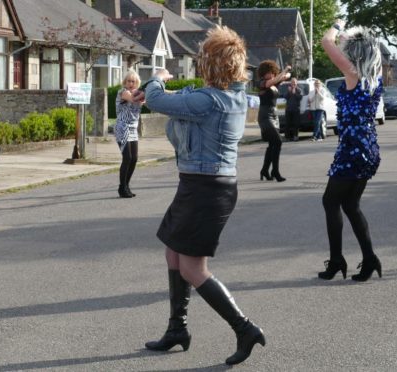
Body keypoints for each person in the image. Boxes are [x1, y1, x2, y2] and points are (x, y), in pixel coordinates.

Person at [139, 26, 266, 366]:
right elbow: (176, 105)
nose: (197, 63)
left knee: (193, 268)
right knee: (173, 253)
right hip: (199, 186)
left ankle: (245, 328)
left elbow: (157, 99)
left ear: (212, 63)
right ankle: (177, 329)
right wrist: (155, 91)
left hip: (207, 190)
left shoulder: (210, 100)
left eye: (202, 59)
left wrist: (158, 77)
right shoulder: (229, 96)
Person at [318, 20, 383, 282]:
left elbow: (326, 42)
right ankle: (369, 259)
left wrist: (336, 25)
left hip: (353, 149)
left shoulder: (352, 73)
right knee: (350, 205)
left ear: (355, 55)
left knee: (331, 201)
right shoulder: (373, 78)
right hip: (366, 146)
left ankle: (337, 260)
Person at [257, 60, 291, 182]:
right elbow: (276, 79)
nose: (271, 75)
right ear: (263, 73)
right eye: (269, 73)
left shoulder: (274, 84)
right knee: (278, 142)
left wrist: (286, 73)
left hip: (274, 115)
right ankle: (275, 171)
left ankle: (265, 170)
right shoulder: (261, 83)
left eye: (272, 72)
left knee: (272, 144)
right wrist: (285, 70)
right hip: (265, 116)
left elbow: (287, 76)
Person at [114, 70, 143, 198]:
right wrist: (143, 96)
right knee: (127, 158)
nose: (131, 83)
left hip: (133, 128)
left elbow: (146, 101)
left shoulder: (139, 94)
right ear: (125, 82)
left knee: (134, 158)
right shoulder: (123, 92)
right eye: (129, 81)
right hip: (123, 127)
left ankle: (126, 185)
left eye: (133, 81)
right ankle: (122, 187)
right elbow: (132, 98)